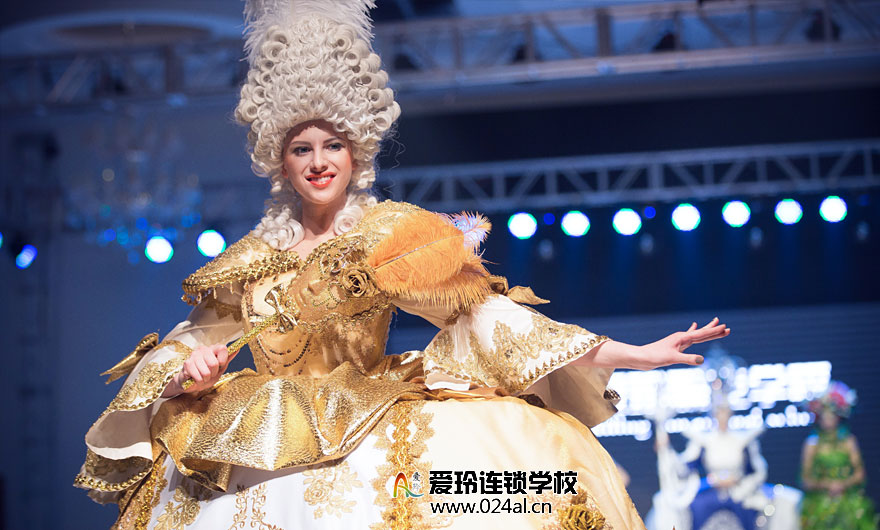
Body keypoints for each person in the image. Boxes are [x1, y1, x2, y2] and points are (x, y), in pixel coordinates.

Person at [74, 1, 730, 528]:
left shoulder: (386, 236)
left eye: (333, 144)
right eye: (302, 148)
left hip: (366, 432)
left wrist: (630, 354)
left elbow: (487, 318)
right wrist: (187, 374)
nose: (319, 161)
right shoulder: (249, 259)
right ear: (281, 161)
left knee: (511, 488)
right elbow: (187, 344)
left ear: (356, 152)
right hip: (250, 444)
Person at [800, 381, 877, 530]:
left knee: (856, 514)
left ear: (839, 416)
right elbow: (805, 480)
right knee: (819, 516)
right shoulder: (812, 444)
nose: (828, 418)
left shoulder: (848, 441)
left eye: (832, 414)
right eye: (825, 414)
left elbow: (860, 474)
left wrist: (842, 485)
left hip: (848, 498)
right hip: (820, 501)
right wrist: (828, 485)